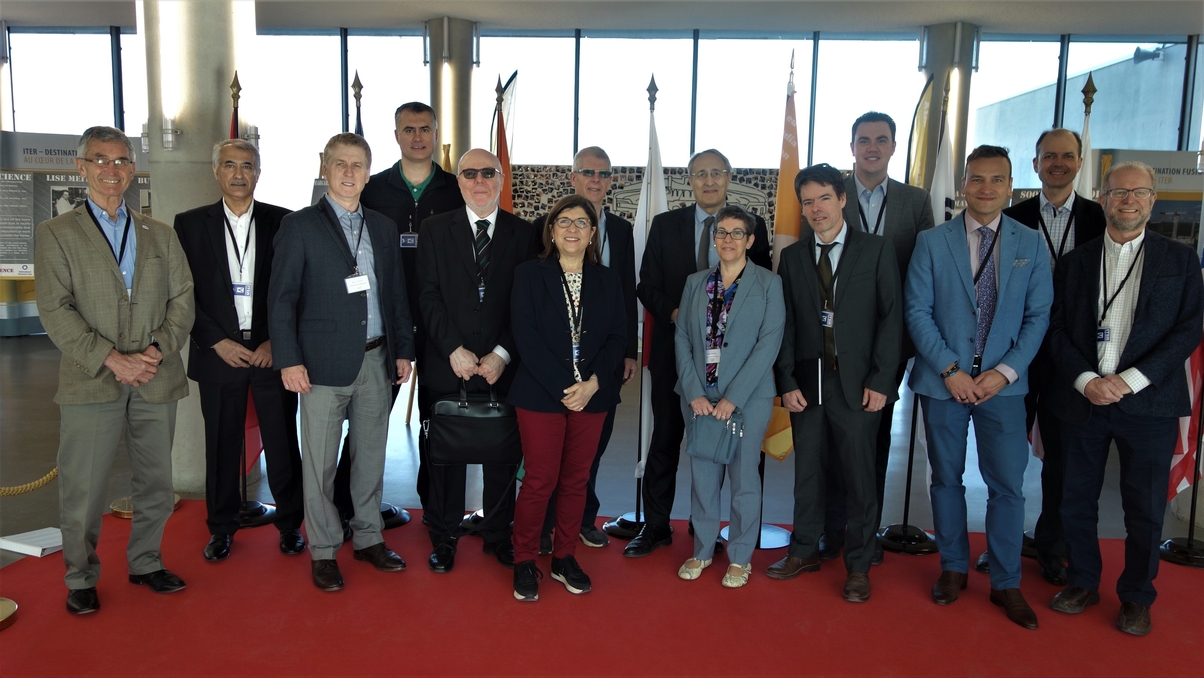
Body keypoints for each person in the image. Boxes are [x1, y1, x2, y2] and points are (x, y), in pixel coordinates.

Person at [35, 126, 195, 614]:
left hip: (155, 377)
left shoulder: (160, 233)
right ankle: (80, 575)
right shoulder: (56, 234)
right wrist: (112, 358)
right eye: (100, 160)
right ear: (81, 167)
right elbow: (55, 310)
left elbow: (183, 300)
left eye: (121, 160)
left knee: (156, 483)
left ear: (132, 169)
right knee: (84, 487)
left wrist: (155, 351)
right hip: (91, 380)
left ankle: (146, 561)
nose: (111, 169)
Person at [1047, 161, 1202, 636]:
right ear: (1103, 197)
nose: (1128, 200)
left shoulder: (1180, 260)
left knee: (1144, 507)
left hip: (1148, 405)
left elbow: (1188, 330)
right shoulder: (1074, 262)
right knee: (1075, 500)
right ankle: (1083, 581)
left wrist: (1130, 380)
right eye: (1118, 193)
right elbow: (1056, 330)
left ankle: (1137, 595)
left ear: (1153, 200)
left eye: (1139, 192)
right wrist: (1087, 380)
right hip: (1083, 400)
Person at [904, 145, 1052, 629]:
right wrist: (951, 369)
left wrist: (1003, 372)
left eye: (996, 179)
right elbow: (917, 311)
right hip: (943, 382)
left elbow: (1037, 317)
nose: (986, 188)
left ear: (1011, 186)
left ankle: (1006, 582)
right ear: (963, 184)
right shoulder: (931, 241)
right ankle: (952, 568)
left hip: (1004, 389)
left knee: (1007, 486)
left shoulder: (1031, 244)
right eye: (977, 179)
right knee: (945, 479)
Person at [268, 133, 415, 592]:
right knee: (320, 464)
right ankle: (325, 549)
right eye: (341, 164)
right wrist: (289, 361)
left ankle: (369, 537)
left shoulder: (384, 226)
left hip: (376, 360)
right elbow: (282, 299)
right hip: (318, 367)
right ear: (325, 168)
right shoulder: (300, 225)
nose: (350, 172)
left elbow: (395, 294)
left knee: (370, 458)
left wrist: (405, 349)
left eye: (358, 165)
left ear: (369, 173)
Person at [972, 128, 1108, 581]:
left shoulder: (1099, 218)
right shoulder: (1010, 216)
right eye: (1049, 156)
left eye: (1067, 156)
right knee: (1005, 459)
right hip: (1010, 356)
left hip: (1072, 354)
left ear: (1079, 161)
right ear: (1034, 165)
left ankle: (1053, 544)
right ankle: (1004, 545)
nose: (1058, 163)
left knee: (1063, 457)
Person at [630, 148, 772, 558]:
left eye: (716, 173)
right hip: (678, 357)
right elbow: (646, 285)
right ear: (687, 181)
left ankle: (711, 528)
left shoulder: (750, 226)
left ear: (729, 178)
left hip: (736, 367)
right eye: (699, 174)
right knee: (666, 441)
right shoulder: (665, 225)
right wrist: (685, 316)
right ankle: (656, 524)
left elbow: (758, 291)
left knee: (736, 448)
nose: (708, 180)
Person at [768, 164, 901, 601]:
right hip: (808, 386)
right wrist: (785, 379)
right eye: (807, 202)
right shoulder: (792, 258)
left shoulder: (876, 250)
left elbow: (891, 320)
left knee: (859, 478)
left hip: (860, 386)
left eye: (824, 198)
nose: (816, 209)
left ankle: (859, 564)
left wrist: (883, 380)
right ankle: (804, 548)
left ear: (842, 199)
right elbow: (783, 326)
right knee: (807, 473)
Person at [333, 102, 466, 525]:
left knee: (438, 420)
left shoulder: (454, 188)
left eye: (425, 128)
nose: (417, 137)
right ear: (395, 135)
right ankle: (346, 506)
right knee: (367, 423)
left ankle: (437, 512)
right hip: (384, 321)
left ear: (435, 132)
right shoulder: (374, 188)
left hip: (441, 323)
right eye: (408, 129)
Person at [175, 139, 305, 562]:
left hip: (272, 352)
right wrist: (215, 341)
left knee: (283, 442)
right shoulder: (189, 224)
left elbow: (293, 290)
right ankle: (222, 528)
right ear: (216, 171)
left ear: (258, 172)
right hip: (219, 354)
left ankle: (290, 524)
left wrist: (276, 342)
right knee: (221, 445)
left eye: (246, 166)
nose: (237, 173)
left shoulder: (283, 221)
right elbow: (181, 293)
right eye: (229, 165)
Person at [817, 112, 934, 565]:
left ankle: (863, 530)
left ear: (892, 146)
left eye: (881, 140)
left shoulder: (914, 201)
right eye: (863, 140)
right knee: (830, 442)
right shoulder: (830, 194)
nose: (872, 147)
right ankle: (831, 530)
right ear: (851, 147)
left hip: (888, 340)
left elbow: (923, 272)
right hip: (830, 341)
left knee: (875, 439)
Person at [417, 148, 540, 574]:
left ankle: (497, 534)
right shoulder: (434, 230)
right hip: (447, 362)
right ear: (459, 181)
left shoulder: (524, 235)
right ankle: (444, 535)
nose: (479, 181)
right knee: (445, 455)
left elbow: (527, 306)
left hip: (503, 366)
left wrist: (503, 354)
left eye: (489, 172)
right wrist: (453, 348)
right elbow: (427, 295)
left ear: (501, 179)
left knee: (502, 454)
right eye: (470, 173)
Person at [508, 195, 627, 601]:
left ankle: (564, 557)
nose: (572, 229)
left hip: (593, 395)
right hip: (541, 394)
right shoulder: (528, 274)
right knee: (539, 480)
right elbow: (526, 337)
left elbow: (617, 337)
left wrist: (592, 384)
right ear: (551, 230)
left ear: (593, 233)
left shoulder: (608, 279)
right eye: (564, 222)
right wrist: (567, 388)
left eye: (581, 222)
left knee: (576, 480)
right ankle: (524, 558)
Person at [532, 146, 638, 552]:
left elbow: (626, 294)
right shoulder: (547, 226)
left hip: (604, 359)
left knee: (592, 445)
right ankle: (544, 525)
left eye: (604, 174)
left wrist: (628, 349)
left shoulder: (624, 231)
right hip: (555, 362)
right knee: (548, 452)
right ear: (572, 178)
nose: (596, 179)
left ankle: (581, 519)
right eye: (588, 172)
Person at [674, 205, 784, 588]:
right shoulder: (695, 283)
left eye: (738, 233)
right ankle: (702, 550)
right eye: (722, 232)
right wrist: (693, 392)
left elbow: (768, 344)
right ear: (714, 237)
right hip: (700, 399)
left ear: (750, 241)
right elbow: (683, 338)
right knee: (703, 478)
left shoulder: (769, 284)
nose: (728, 240)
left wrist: (733, 398)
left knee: (743, 480)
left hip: (747, 400)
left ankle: (740, 557)